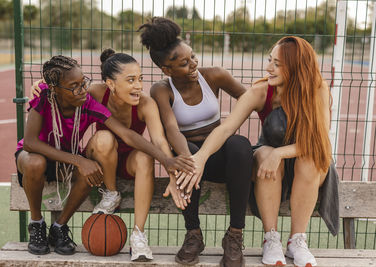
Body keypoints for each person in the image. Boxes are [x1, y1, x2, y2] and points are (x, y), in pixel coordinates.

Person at [185, 36, 339, 267]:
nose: (268, 68)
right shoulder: (261, 91)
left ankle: (297, 241)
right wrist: (200, 157)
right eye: (270, 60)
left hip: (305, 159)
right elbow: (226, 128)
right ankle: (271, 239)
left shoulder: (317, 89)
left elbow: (319, 141)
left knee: (309, 159)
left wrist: (281, 153)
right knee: (267, 155)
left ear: (297, 67)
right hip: (268, 160)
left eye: (277, 64)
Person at [19, 55, 194, 257]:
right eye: (131, 80)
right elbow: (30, 143)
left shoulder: (87, 101)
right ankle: (37, 224)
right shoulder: (50, 97)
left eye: (83, 83)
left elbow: (129, 135)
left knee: (99, 168)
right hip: (45, 156)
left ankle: (60, 227)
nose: (82, 89)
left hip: (77, 160)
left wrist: (167, 161)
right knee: (37, 161)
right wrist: (42, 84)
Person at [138, 17, 254, 267]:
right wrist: (192, 162)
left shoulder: (214, 76)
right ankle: (194, 234)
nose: (193, 64)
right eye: (184, 63)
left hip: (220, 157)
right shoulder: (161, 90)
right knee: (182, 154)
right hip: (190, 161)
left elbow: (249, 99)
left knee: (241, 145)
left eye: (192, 57)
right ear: (167, 70)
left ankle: (234, 235)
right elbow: (172, 130)